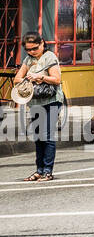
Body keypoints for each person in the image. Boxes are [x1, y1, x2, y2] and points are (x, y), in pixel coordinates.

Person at [15, 34, 62, 181]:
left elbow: (57, 79)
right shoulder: (28, 60)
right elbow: (17, 78)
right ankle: (39, 170)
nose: (32, 52)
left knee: (47, 135)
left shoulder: (50, 57)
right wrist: (27, 78)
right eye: (28, 49)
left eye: (35, 48)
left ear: (42, 43)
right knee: (38, 137)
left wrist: (40, 77)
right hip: (35, 101)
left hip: (51, 100)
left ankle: (47, 171)